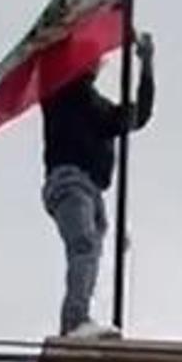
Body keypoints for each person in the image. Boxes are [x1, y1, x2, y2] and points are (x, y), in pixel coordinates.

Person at [41, 32, 155, 338]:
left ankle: (81, 322)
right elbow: (51, 57)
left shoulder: (98, 106)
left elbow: (138, 116)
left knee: (89, 252)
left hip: (93, 193)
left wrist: (145, 65)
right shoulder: (60, 90)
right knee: (84, 246)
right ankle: (75, 322)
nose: (95, 64)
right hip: (69, 181)